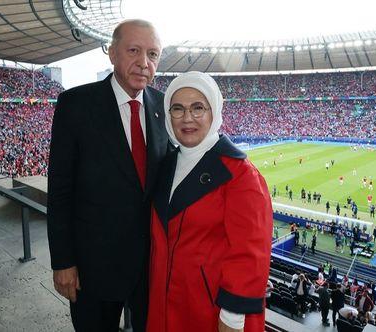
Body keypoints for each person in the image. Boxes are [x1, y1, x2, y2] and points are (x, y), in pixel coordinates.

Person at [47, 19, 168, 331]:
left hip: (150, 269)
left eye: (153, 54)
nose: (144, 63)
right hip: (92, 269)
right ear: (112, 53)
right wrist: (63, 261)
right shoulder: (75, 104)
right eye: (134, 51)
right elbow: (60, 191)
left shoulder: (163, 106)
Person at [146, 72, 272, 332]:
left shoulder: (240, 174)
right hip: (165, 301)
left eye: (198, 108)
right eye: (178, 109)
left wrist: (233, 316)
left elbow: (250, 253)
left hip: (209, 309)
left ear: (214, 111)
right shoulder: (167, 164)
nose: (187, 118)